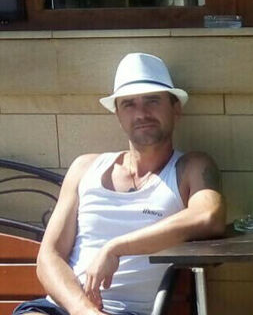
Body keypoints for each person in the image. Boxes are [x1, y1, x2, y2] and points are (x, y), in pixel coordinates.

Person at [14, 53, 226, 315]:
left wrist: (115, 248)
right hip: (65, 309)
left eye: (152, 100)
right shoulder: (85, 168)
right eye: (129, 104)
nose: (142, 113)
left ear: (175, 109)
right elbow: (49, 257)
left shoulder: (191, 167)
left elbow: (209, 216)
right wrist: (84, 311)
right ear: (118, 115)